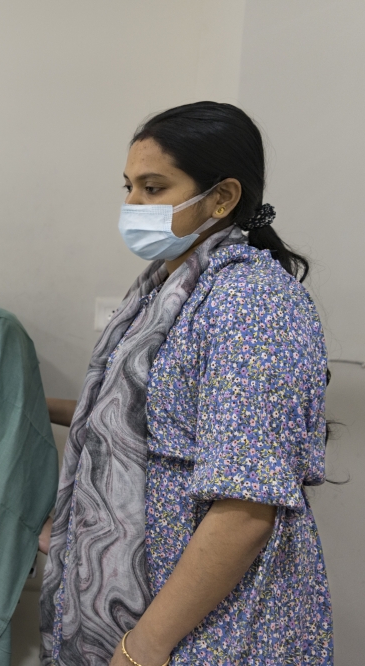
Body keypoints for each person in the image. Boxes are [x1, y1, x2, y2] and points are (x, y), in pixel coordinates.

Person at [39, 102, 332, 665]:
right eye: (128, 187)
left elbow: (246, 507)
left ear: (222, 198)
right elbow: (146, 421)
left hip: (205, 627)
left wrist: (145, 646)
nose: (132, 205)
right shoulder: (162, 292)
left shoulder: (252, 304)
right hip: (147, 609)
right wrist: (35, 407)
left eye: (153, 188)